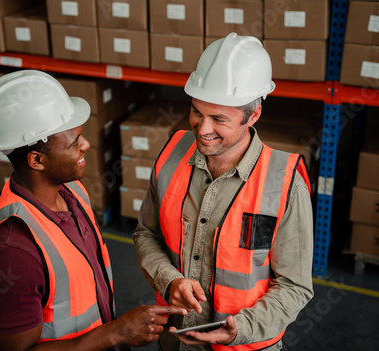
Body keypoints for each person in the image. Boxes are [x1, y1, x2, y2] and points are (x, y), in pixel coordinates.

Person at [0, 70, 187, 351]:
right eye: (74, 143)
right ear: (37, 160)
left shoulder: (73, 192)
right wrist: (117, 332)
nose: (86, 145)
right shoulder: (12, 251)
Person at [132, 32, 314, 351]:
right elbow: (146, 234)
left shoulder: (285, 182)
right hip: (176, 340)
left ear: (253, 115)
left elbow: (294, 286)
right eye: (197, 112)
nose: (203, 129)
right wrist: (168, 279)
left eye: (219, 119)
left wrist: (241, 329)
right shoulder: (172, 153)